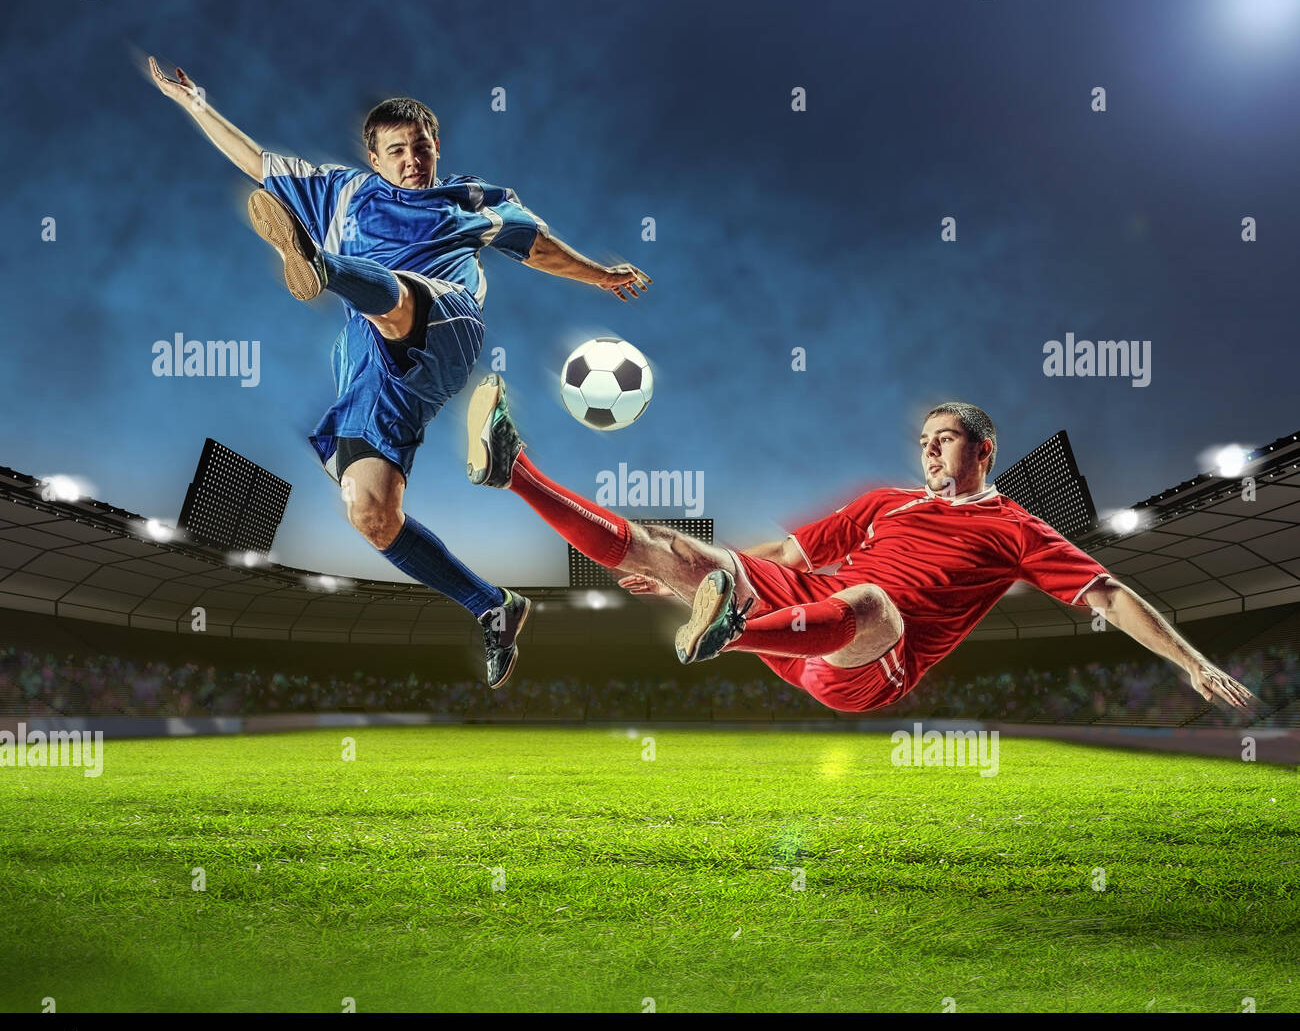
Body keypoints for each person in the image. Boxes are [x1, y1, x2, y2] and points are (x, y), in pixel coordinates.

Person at [147, 57, 649, 687]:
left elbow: (540, 247)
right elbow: (255, 161)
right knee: (370, 512)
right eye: (397, 151)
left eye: (422, 147)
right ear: (375, 157)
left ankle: (321, 268)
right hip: (368, 369)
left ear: (437, 147)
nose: (413, 160)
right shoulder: (342, 190)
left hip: (442, 318)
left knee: (399, 297)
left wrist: (602, 274)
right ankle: (492, 605)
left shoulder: (473, 199)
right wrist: (194, 102)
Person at [465, 377, 1256, 714]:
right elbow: (785, 557)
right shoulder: (886, 502)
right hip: (805, 612)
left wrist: (1192, 662)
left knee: (871, 601)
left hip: (872, 659)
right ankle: (517, 470)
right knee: (668, 543)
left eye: (945, 440)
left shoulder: (1017, 528)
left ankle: (727, 631)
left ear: (984, 450)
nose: (929, 451)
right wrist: (696, 571)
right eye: (923, 440)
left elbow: (1108, 594)